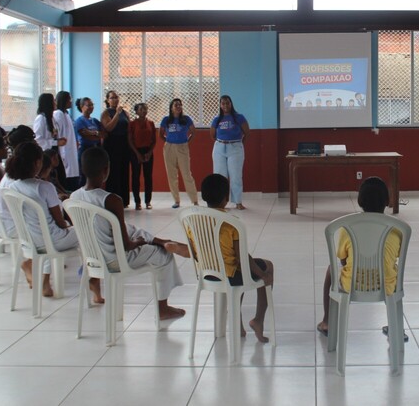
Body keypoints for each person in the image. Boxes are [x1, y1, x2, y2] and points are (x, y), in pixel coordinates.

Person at [72, 147, 190, 315]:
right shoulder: (111, 200)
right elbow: (126, 245)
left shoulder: (74, 197)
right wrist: (139, 242)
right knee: (163, 255)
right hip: (115, 261)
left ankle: (159, 241)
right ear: (106, 169)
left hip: (91, 260)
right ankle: (163, 308)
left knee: (129, 229)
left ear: (83, 169)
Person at [3, 142, 95, 299]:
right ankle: (93, 278)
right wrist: (70, 226)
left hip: (29, 240)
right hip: (53, 240)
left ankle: (44, 280)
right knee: (89, 231)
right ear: (37, 163)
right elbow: (60, 222)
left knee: (45, 231)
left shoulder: (11, 188)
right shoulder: (45, 187)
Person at [316, 177, 403, 338]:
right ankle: (396, 327)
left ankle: (327, 321)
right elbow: (397, 257)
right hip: (386, 285)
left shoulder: (347, 226)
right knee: (394, 269)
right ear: (387, 200)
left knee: (330, 270)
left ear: (360, 201)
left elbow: (343, 260)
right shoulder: (397, 228)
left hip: (352, 284)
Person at [201, 173, 274, 342]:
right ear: (226, 198)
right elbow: (242, 257)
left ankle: (237, 321)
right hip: (229, 276)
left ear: (204, 196)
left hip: (207, 274)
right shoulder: (231, 222)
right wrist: (263, 275)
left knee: (239, 268)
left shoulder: (194, 220)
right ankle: (258, 320)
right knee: (267, 266)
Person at [210, 95, 250, 210]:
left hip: (235, 148)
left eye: (227, 103)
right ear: (220, 105)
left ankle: (238, 202)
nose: (225, 105)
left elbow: (247, 133)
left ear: (231, 104)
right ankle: (220, 202)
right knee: (219, 176)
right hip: (219, 148)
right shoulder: (217, 119)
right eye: (223, 103)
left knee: (236, 176)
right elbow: (212, 135)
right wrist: (222, 143)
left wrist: (238, 144)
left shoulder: (239, 117)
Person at [159, 98, 199, 208]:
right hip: (169, 148)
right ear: (171, 108)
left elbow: (193, 132)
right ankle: (176, 201)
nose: (178, 107)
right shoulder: (166, 120)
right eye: (176, 105)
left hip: (183, 147)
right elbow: (161, 134)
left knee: (187, 174)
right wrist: (169, 142)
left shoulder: (186, 119)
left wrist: (186, 142)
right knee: (171, 175)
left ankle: (195, 201)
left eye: (180, 105)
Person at [100, 90, 131, 208]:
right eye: (112, 98)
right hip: (112, 144)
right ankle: (113, 200)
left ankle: (124, 200)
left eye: (116, 97)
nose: (115, 100)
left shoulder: (125, 113)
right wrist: (117, 114)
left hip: (124, 144)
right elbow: (109, 128)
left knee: (124, 171)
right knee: (114, 172)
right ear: (108, 100)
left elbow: (128, 127)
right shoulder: (106, 113)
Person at [128, 102, 156, 210]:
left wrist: (149, 152)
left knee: (148, 177)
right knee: (136, 177)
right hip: (135, 151)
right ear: (136, 111)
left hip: (148, 151)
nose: (143, 111)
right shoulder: (132, 124)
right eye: (141, 109)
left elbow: (154, 140)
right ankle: (137, 202)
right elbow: (130, 140)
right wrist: (137, 154)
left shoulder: (151, 123)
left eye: (145, 109)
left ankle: (148, 201)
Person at [53, 90, 80, 191]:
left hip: (71, 151)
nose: (71, 101)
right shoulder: (58, 114)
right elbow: (59, 134)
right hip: (65, 152)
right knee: (67, 180)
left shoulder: (66, 114)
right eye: (69, 99)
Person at [74, 97, 102, 187]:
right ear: (82, 107)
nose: (91, 107)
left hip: (95, 149)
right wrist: (96, 134)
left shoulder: (95, 121)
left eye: (92, 105)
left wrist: (92, 133)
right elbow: (85, 135)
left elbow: (104, 134)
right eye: (88, 105)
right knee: (84, 174)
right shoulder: (79, 121)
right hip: (84, 150)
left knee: (95, 174)